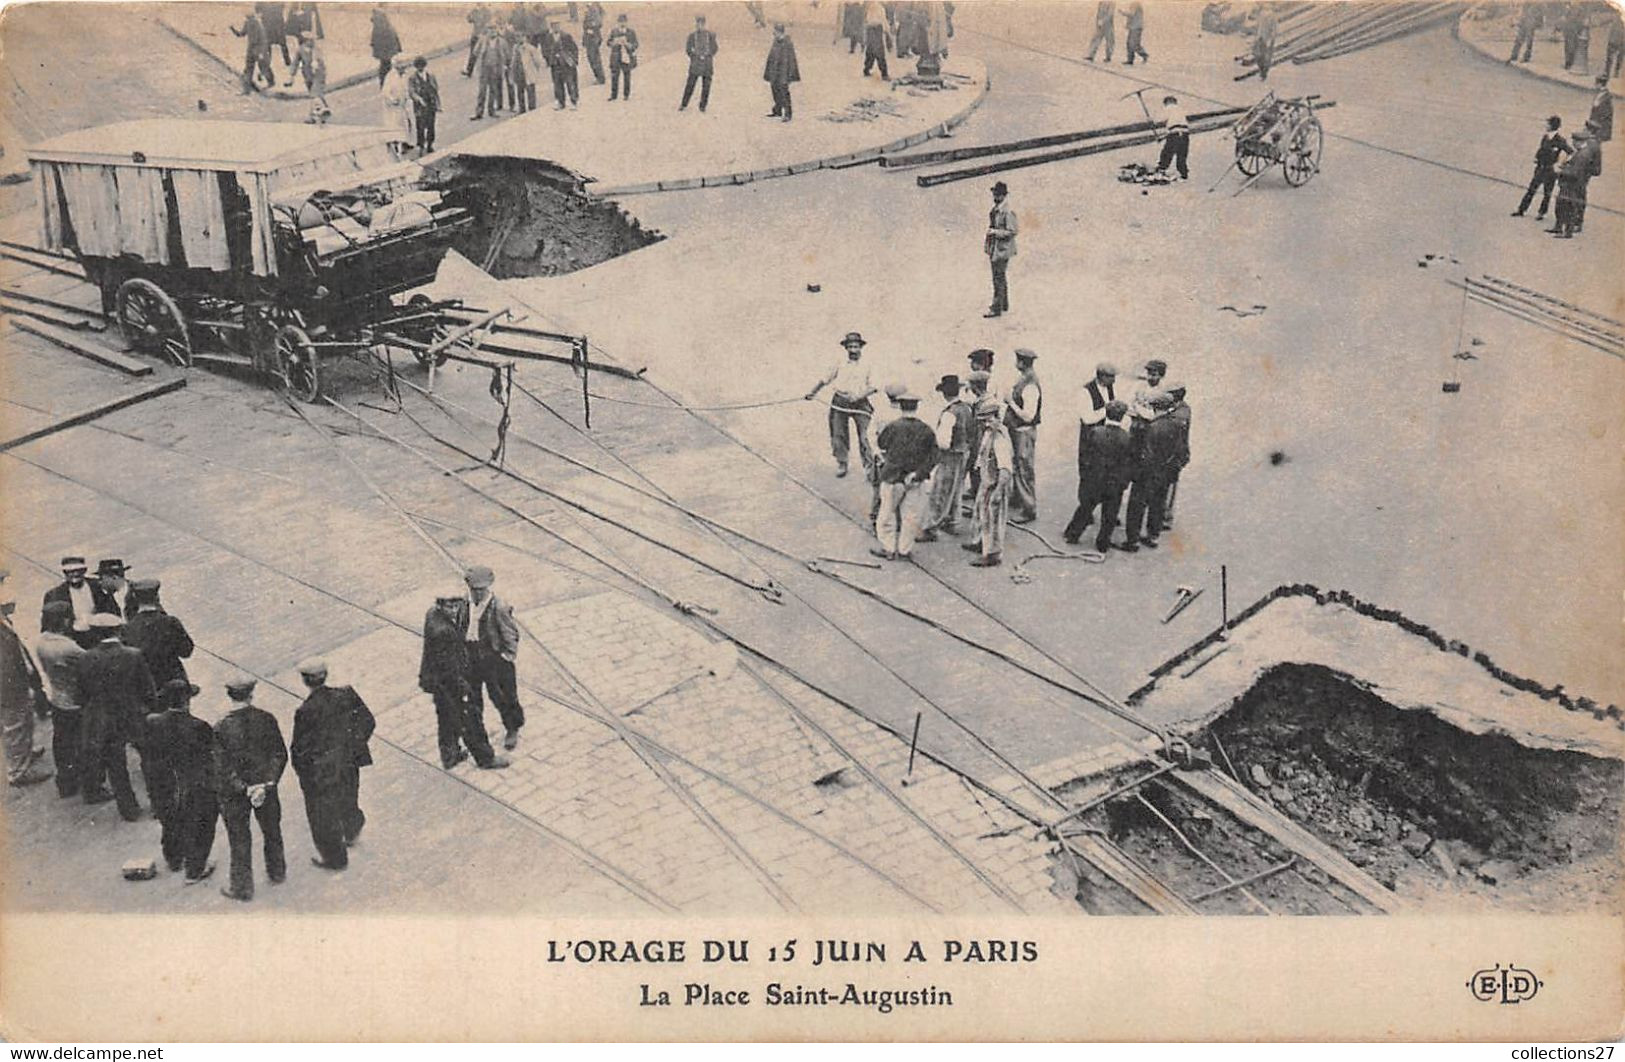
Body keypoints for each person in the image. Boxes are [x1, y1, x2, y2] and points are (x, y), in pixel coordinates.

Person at [290, 659, 372, 870]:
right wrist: (353, 746)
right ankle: (352, 830)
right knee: (349, 796)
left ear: (305, 681)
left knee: (323, 816)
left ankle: (335, 859)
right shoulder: (346, 694)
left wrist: (306, 775)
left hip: (324, 771)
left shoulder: (305, 711)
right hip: (349, 762)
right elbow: (368, 721)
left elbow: (299, 750)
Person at [213, 678, 288, 901]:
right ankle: (277, 872)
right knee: (272, 831)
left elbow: (221, 768)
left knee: (239, 839)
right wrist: (267, 783)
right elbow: (279, 754)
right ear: (250, 695)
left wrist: (244, 788)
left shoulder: (221, 727)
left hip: (235, 795)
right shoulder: (266, 719)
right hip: (266, 789)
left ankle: (242, 887)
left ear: (230, 696)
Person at [76, 613, 154, 817]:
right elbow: (148, 690)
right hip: (133, 714)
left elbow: (81, 694)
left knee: (116, 766)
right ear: (117, 630)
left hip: (105, 717)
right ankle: (157, 803)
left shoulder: (85, 658)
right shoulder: (134, 654)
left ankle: (129, 809)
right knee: (149, 758)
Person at [422, 594, 509, 770]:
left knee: (446, 716)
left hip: (437, 680)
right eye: (449, 606)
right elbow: (448, 666)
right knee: (471, 719)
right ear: (440, 605)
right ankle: (485, 758)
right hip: (450, 680)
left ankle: (450, 755)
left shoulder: (432, 614)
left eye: (456, 605)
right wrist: (463, 688)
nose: (454, 610)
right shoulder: (443, 631)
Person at [143, 679, 218, 883]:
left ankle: (174, 858)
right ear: (187, 701)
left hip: (163, 781)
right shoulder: (199, 726)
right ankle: (196, 868)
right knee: (199, 823)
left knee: (169, 818)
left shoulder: (153, 722)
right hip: (191, 782)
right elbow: (210, 759)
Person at [458, 567, 526, 750]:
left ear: (488, 587)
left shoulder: (499, 606)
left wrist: (506, 657)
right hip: (470, 657)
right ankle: (476, 738)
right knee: (471, 699)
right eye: (474, 589)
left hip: (493, 659)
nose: (477, 593)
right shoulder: (464, 602)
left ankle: (512, 728)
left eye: (481, 589)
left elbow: (510, 634)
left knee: (502, 696)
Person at [870, 390, 939, 560]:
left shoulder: (893, 427)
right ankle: (904, 550)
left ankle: (888, 548)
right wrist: (918, 473)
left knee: (887, 514)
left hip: (893, 478)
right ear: (916, 407)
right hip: (915, 479)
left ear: (900, 406)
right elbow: (934, 456)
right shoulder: (926, 429)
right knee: (911, 517)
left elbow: (882, 443)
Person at [1063, 401, 1134, 552]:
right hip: (1114, 483)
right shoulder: (1126, 437)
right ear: (1122, 417)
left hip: (1095, 480)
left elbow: (1086, 457)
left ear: (1106, 413)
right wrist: (1124, 482)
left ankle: (1073, 534)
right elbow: (1128, 463)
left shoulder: (1096, 432)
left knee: (1085, 508)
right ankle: (1103, 543)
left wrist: (1087, 476)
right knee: (1110, 514)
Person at [806, 332, 879, 478]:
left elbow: (874, 386)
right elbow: (824, 379)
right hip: (840, 401)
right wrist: (812, 392)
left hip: (860, 402)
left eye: (856, 347)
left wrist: (859, 396)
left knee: (866, 436)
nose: (853, 350)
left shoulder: (868, 364)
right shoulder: (839, 363)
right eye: (850, 347)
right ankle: (842, 463)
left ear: (861, 348)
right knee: (838, 434)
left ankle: (870, 468)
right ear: (846, 348)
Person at [1, 589, 51, 788]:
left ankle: (25, 752)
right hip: (10, 685)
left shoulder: (4, 619)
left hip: (18, 679)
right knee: (15, 724)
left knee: (24, 720)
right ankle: (18, 771)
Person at [35, 601, 85, 797]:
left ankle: (65, 782)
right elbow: (88, 661)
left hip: (57, 697)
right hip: (75, 699)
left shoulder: (41, 642)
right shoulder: (68, 646)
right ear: (65, 620)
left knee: (62, 742)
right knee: (80, 740)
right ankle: (83, 777)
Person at [1122, 392, 1181, 551]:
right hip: (1165, 473)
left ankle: (1132, 541)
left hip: (1147, 474)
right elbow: (1181, 452)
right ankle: (1153, 536)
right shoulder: (1177, 425)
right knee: (1158, 505)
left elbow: (1146, 454)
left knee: (1136, 506)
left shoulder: (1152, 428)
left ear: (1155, 407)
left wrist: (1136, 472)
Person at [920, 374, 973, 541]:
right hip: (963, 452)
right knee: (956, 488)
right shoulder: (966, 408)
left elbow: (943, 442)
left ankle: (931, 527)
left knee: (940, 490)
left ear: (944, 393)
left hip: (949, 455)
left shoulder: (949, 414)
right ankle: (953, 521)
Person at [963, 397, 1013, 567]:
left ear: (997, 417)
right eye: (983, 420)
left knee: (992, 518)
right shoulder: (988, 432)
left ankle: (992, 554)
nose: (985, 424)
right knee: (981, 514)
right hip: (986, 481)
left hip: (995, 484)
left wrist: (998, 492)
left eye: (988, 420)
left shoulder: (999, 438)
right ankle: (980, 543)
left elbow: (1005, 469)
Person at [121, 579, 194, 689]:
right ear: (157, 598)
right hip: (174, 682)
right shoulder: (171, 622)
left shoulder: (127, 628)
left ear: (135, 599)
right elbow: (186, 652)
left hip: (145, 687)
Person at [1004, 348, 1041, 525]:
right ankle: (1018, 498)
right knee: (1018, 466)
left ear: (1022, 362)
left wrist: (1010, 402)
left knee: (1024, 468)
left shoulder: (1030, 384)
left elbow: (1029, 415)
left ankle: (1029, 508)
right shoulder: (1024, 379)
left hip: (1024, 432)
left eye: (1017, 360)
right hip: (1018, 431)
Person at [1512, 116, 1570, 220]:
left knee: (1547, 193)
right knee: (1531, 189)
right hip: (1540, 168)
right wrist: (1536, 157)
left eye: (1548, 124)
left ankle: (1541, 213)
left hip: (1550, 170)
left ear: (1553, 126)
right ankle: (1521, 209)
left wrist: (1561, 164)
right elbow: (1541, 150)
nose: (1546, 125)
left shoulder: (1560, 140)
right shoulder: (1545, 137)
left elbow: (1570, 152)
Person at [1551, 126, 1601, 237]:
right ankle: (1560, 228)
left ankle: (1567, 232)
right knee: (1564, 205)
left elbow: (1574, 173)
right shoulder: (1580, 152)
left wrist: (1560, 171)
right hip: (1570, 185)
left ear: (1580, 142)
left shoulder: (1582, 156)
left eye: (1574, 141)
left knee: (1568, 207)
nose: (1573, 143)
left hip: (1571, 185)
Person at [41, 554, 99, 648]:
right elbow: (46, 626)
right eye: (70, 572)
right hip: (73, 640)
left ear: (84, 571)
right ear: (64, 573)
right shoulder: (54, 595)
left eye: (78, 571)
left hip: (99, 636)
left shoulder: (97, 586)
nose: (75, 574)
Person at [1159, 381, 1191, 531]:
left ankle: (1166, 517)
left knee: (1170, 485)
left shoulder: (1181, 412)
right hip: (1173, 453)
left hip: (1175, 455)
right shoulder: (1179, 409)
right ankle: (1162, 514)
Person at [984, 181, 1017, 318]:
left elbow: (1012, 231)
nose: (994, 196)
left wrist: (995, 232)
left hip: (1002, 249)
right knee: (1000, 276)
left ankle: (996, 308)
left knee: (998, 277)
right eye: (994, 194)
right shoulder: (997, 208)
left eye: (997, 194)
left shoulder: (1007, 211)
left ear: (1003, 196)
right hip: (997, 248)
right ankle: (1004, 304)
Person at [231, 7, 274, 94]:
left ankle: (271, 82)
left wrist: (261, 52)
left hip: (258, 49)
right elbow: (241, 34)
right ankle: (246, 90)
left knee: (263, 67)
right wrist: (233, 29)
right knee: (249, 69)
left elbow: (263, 40)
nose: (247, 17)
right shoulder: (248, 23)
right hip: (251, 49)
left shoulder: (257, 24)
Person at [681, 15, 719, 112]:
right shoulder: (692, 36)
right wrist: (694, 56)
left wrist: (708, 55)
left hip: (707, 65)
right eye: (698, 24)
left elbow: (715, 48)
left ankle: (703, 106)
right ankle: (684, 104)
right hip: (695, 65)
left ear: (705, 24)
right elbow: (688, 49)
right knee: (690, 85)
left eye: (702, 24)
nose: (699, 26)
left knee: (706, 87)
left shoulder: (710, 35)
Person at [765, 23, 800, 122]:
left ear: (779, 32)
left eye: (775, 32)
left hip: (783, 73)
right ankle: (778, 110)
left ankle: (788, 114)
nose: (773, 33)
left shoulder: (787, 43)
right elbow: (772, 56)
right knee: (775, 90)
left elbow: (790, 60)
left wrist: (789, 75)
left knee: (784, 92)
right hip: (775, 71)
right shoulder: (776, 41)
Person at [471, 25, 508, 119]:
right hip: (484, 69)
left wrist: (503, 65)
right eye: (490, 30)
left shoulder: (502, 42)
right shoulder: (482, 41)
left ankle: (491, 111)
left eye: (494, 29)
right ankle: (479, 112)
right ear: (487, 31)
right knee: (482, 91)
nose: (492, 32)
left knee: (493, 91)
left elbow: (507, 54)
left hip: (495, 69)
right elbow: (475, 52)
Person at [381, 57, 418, 149]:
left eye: (404, 66)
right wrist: (393, 99)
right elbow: (385, 92)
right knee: (396, 124)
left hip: (404, 104)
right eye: (401, 67)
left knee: (407, 123)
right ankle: (398, 144)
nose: (403, 69)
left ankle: (407, 142)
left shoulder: (405, 75)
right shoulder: (390, 77)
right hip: (394, 106)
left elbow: (407, 88)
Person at [1153, 95, 1190, 180]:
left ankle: (1162, 169)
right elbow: (1176, 124)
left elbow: (1160, 119)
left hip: (1174, 134)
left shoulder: (1169, 108)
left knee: (1167, 152)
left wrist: (1151, 120)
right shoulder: (1181, 110)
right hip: (1185, 134)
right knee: (1182, 154)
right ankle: (1183, 172)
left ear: (1167, 102)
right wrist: (1162, 137)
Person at [410, 56, 441, 154]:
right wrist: (419, 99)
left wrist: (438, 104)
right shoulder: (412, 79)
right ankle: (421, 145)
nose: (420, 68)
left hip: (430, 104)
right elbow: (412, 92)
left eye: (422, 66)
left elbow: (436, 90)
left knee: (431, 126)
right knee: (420, 126)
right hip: (420, 107)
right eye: (418, 66)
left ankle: (430, 144)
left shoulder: (431, 76)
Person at [548, 20, 581, 109]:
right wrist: (549, 59)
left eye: (557, 25)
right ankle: (560, 103)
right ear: (551, 27)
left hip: (566, 64)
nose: (556, 27)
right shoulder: (549, 37)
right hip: (555, 64)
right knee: (557, 85)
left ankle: (574, 102)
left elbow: (574, 49)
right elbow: (546, 50)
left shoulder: (566, 36)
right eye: (553, 26)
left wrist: (574, 60)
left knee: (570, 83)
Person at [608, 13, 638, 100]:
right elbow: (608, 42)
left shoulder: (631, 32)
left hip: (626, 57)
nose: (622, 24)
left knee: (627, 76)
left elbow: (635, 44)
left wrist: (628, 45)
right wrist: (614, 43)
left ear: (627, 22)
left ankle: (626, 94)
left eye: (624, 22)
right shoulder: (614, 31)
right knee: (614, 76)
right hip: (616, 56)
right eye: (620, 22)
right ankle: (614, 95)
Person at [370, 5, 401, 88]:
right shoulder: (385, 25)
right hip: (387, 51)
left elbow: (374, 40)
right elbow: (394, 36)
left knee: (385, 67)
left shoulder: (379, 26)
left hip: (385, 51)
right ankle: (387, 83)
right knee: (387, 67)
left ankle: (385, 84)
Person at [863, 1, 891, 78]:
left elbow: (867, 20)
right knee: (879, 51)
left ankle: (866, 69)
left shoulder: (870, 7)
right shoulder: (879, 7)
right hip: (877, 29)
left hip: (870, 29)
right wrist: (887, 32)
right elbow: (883, 20)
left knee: (870, 50)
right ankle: (884, 73)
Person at [464, 1, 493, 77]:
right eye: (478, 2)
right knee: (473, 53)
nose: (479, 3)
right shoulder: (474, 11)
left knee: (484, 53)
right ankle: (469, 71)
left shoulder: (487, 12)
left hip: (483, 35)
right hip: (475, 34)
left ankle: (484, 71)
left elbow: (489, 22)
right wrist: (470, 16)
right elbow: (469, 20)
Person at [259, 1, 291, 68]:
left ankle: (287, 62)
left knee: (271, 44)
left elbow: (258, 10)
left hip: (272, 24)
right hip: (273, 24)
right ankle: (287, 61)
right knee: (272, 44)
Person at [581, 2, 606, 84]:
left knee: (593, 58)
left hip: (593, 38)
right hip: (590, 39)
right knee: (592, 58)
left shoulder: (593, 7)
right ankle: (599, 77)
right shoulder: (590, 7)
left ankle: (600, 78)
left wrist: (591, 27)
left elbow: (598, 23)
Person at [1252, 2, 1278, 80]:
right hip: (1260, 37)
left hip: (1267, 39)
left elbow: (1274, 29)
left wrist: (1271, 39)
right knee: (1258, 54)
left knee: (1265, 56)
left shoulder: (1272, 16)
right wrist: (1256, 37)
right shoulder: (1261, 15)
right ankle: (1262, 71)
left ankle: (1264, 73)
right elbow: (1258, 27)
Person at [1590, 77, 1613, 143]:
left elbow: (1606, 114)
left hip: (1600, 125)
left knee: (1596, 141)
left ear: (1600, 84)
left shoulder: (1606, 96)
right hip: (1594, 123)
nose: (1595, 85)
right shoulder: (1599, 94)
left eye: (1596, 84)